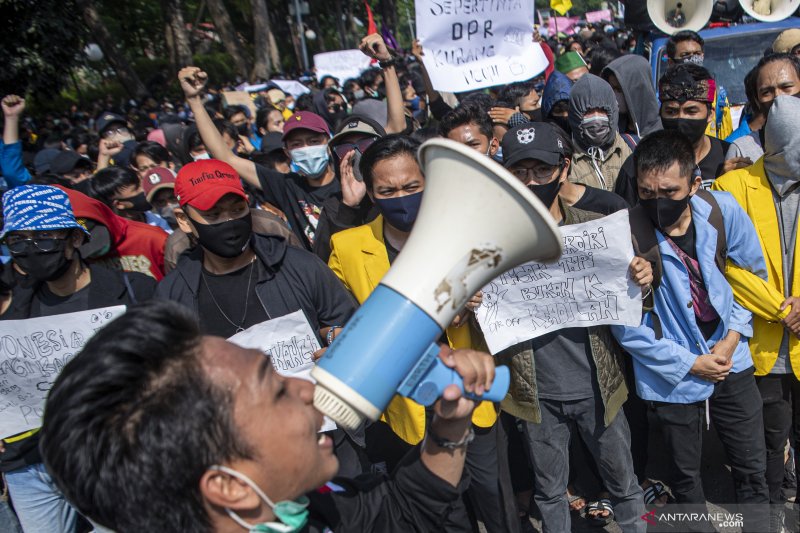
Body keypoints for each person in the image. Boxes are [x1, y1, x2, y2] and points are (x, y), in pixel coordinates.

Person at [39, 299, 499, 532]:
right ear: (230, 487)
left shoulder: (306, 505)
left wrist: (450, 423)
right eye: (277, 390)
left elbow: (401, 511)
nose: (305, 387)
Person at [328, 134, 516, 533]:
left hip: (471, 397)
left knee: (494, 497)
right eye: (388, 190)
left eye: (412, 187)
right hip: (407, 407)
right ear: (371, 194)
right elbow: (335, 316)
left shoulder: (469, 234)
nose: (401, 197)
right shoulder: (346, 247)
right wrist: (335, 336)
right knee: (440, 508)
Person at [611, 130, 769, 532]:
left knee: (753, 467)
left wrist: (732, 340)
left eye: (669, 190)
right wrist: (691, 363)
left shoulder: (723, 211)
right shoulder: (624, 236)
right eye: (647, 192)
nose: (658, 201)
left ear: (695, 183)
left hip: (732, 360)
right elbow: (626, 329)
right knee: (684, 481)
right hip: (673, 376)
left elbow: (752, 282)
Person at [498, 122, 649, 533]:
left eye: (541, 170)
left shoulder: (595, 230)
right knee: (549, 493)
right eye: (519, 171)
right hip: (536, 395)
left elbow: (636, 304)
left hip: (600, 387)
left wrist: (642, 278)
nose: (531, 180)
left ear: (563, 169)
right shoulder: (491, 240)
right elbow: (471, 314)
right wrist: (472, 300)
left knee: (624, 484)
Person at [0, 184, 155, 533]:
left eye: (42, 238)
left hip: (110, 457)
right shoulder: (13, 311)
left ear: (73, 240)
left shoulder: (133, 291)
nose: (30, 250)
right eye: (18, 242)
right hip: (31, 464)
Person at [713, 95, 800, 531]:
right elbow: (722, 263)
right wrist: (781, 308)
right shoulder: (730, 189)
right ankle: (770, 518)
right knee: (766, 444)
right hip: (762, 345)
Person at [155, 158, 355, 340]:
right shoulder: (173, 295)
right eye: (213, 214)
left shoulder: (301, 266)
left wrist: (333, 340)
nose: (229, 221)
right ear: (184, 220)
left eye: (237, 210)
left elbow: (349, 328)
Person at [312, 114, 385, 263]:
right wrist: (348, 209)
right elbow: (323, 260)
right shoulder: (333, 206)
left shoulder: (398, 191)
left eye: (366, 144)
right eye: (345, 148)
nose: (355, 153)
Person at [568, 73, 632, 192]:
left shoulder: (632, 148)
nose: (596, 119)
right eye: (588, 112)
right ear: (575, 115)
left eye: (603, 110)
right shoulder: (567, 162)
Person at [665, 30, 732, 139]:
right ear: (671, 63)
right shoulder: (662, 99)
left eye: (697, 54)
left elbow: (726, 139)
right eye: (685, 55)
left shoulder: (718, 95)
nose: (693, 59)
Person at [89, 166, 174, 233]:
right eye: (136, 189)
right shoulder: (121, 236)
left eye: (140, 184)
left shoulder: (157, 215)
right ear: (119, 204)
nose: (143, 190)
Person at [601, 54, 662, 145]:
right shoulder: (611, 129)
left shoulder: (660, 136)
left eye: (619, 89)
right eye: (611, 89)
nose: (613, 95)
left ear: (637, 91)